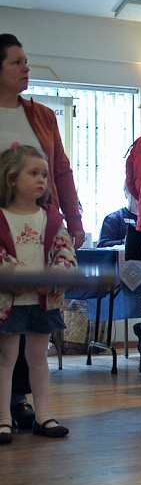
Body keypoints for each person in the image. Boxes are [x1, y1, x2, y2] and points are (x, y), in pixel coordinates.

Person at [0, 33, 85, 432]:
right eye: (17, 62)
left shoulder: (43, 115)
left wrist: (74, 219)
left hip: (35, 224)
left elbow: (61, 171)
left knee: (27, 324)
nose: (26, 68)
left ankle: (20, 404)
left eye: (25, 61)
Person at [0, 144, 77, 444]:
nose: (42, 180)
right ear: (11, 179)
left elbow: (65, 252)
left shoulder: (52, 218)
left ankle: (43, 415)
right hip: (9, 302)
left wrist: (54, 278)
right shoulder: (2, 217)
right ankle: (3, 418)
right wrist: (15, 278)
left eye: (44, 174)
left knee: (38, 359)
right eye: (33, 173)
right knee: (5, 359)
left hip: (43, 302)